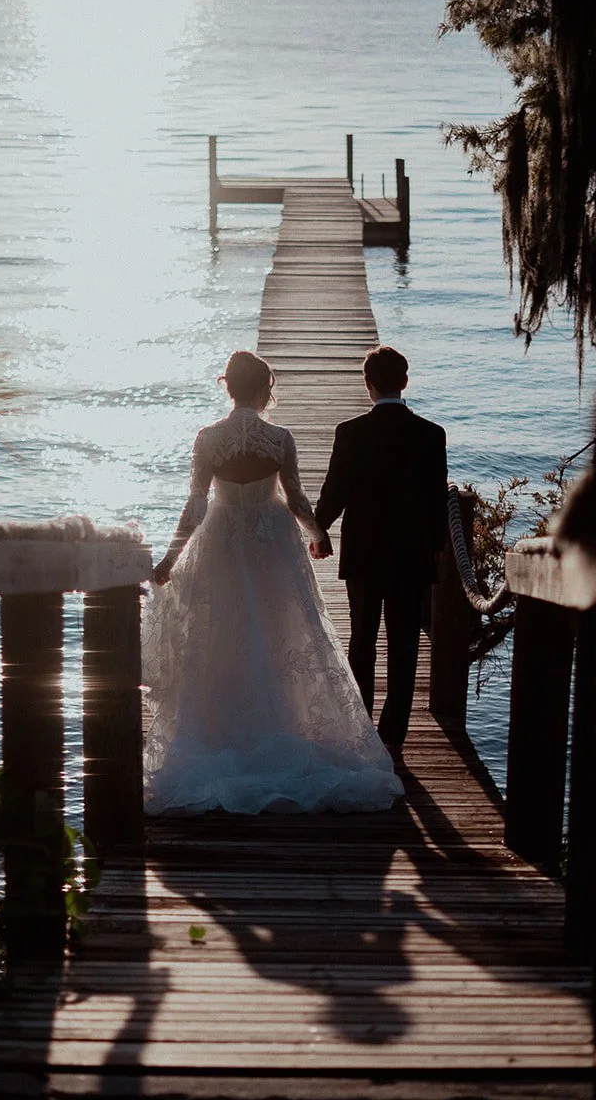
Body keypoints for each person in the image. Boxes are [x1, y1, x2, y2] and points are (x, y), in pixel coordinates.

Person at [143, 350, 403, 816]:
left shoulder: (208, 439)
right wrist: (318, 535)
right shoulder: (279, 438)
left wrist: (169, 558)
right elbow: (298, 499)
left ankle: (221, 733)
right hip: (270, 544)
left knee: (219, 635)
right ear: (265, 388)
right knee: (278, 633)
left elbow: (197, 506)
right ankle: (278, 729)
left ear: (228, 387)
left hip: (221, 542)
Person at [312, 346, 449, 771]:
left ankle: (361, 731)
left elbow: (335, 491)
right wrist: (438, 547)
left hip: (365, 552)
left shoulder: (350, 432)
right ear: (404, 382)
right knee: (405, 644)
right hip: (412, 554)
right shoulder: (432, 434)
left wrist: (319, 531)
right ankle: (392, 739)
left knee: (363, 640)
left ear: (367, 384)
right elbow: (436, 499)